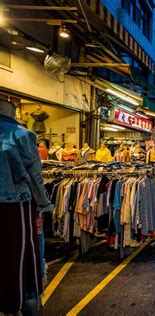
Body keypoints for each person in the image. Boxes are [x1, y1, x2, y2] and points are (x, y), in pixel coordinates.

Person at [0, 99, 53, 314]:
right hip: (17, 205)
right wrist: (43, 204)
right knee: (22, 256)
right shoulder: (22, 135)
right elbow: (35, 175)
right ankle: (24, 300)